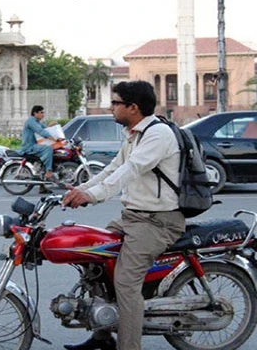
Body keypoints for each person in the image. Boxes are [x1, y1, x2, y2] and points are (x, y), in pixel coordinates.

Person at [62, 81, 185, 350]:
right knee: (94, 263)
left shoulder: (158, 134)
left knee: (126, 282)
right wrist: (79, 190)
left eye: (116, 103)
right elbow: (112, 169)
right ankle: (102, 336)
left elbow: (130, 170)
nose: (111, 107)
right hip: (133, 218)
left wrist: (93, 196)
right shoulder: (135, 134)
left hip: (158, 222)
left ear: (133, 107)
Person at [20, 105, 58, 193]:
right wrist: (53, 138)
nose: (43, 114)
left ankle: (42, 187)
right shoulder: (31, 121)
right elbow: (41, 131)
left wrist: (52, 127)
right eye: (41, 113)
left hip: (35, 146)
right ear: (35, 113)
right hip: (29, 146)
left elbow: (45, 129)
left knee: (45, 160)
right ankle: (49, 172)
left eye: (43, 112)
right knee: (48, 149)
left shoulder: (37, 122)